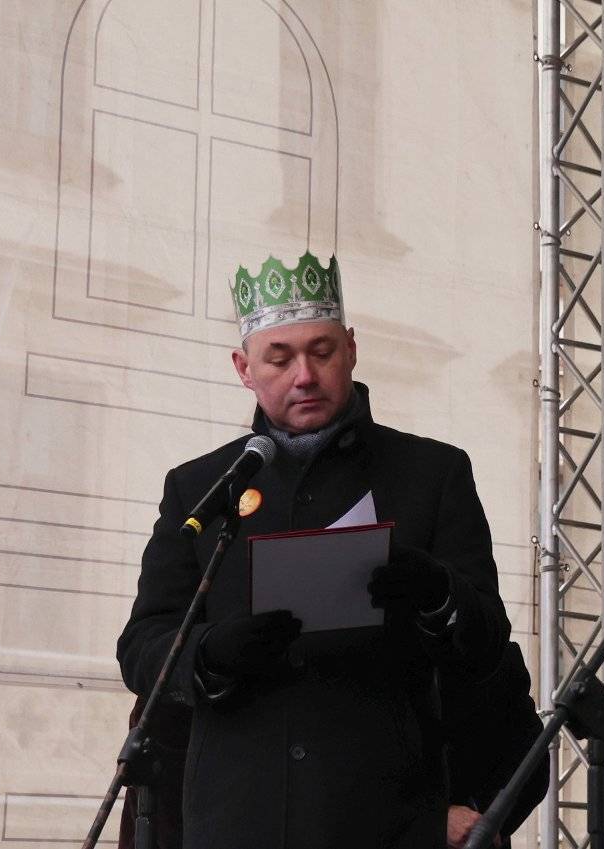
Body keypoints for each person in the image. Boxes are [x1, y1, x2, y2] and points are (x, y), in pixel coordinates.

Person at [117, 252, 511, 849]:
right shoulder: (200, 487)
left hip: (385, 817)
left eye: (322, 352)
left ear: (351, 349)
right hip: (236, 819)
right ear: (243, 369)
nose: (304, 375)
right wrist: (209, 654)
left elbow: (488, 643)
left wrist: (436, 592)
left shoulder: (432, 474)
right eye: (279, 359)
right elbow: (142, 643)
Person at [441, 640, 549, 849]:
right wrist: (439, 819)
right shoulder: (384, 662)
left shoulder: (499, 658)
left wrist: (484, 824)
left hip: (481, 836)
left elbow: (532, 761)